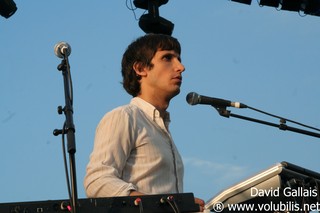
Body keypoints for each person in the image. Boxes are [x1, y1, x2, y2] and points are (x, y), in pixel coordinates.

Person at [84, 33, 205, 211]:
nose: (181, 67)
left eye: (178, 59)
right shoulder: (124, 116)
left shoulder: (162, 128)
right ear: (141, 68)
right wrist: (161, 206)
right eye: (167, 58)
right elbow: (97, 181)